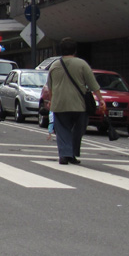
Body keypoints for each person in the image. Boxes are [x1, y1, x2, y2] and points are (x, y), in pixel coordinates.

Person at [44, 37, 105, 165]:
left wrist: (50, 100)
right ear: (75, 50)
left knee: (62, 129)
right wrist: (101, 100)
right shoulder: (82, 64)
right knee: (79, 129)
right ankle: (72, 154)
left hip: (59, 103)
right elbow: (93, 84)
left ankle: (65, 154)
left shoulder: (54, 65)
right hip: (79, 104)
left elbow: (50, 86)